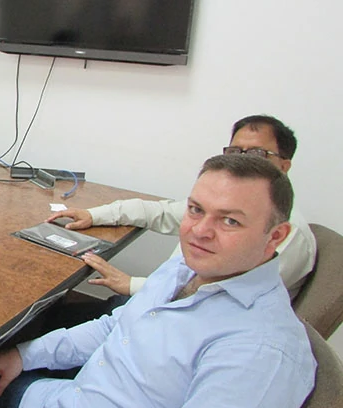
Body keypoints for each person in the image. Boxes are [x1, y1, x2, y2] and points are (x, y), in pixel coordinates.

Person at [0, 154, 317, 408]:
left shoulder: (259, 350)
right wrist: (24, 356)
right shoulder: (188, 266)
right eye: (196, 210)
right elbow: (114, 327)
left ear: (275, 237)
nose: (201, 231)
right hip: (62, 407)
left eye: (229, 220)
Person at [49, 114, 315, 301]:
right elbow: (159, 212)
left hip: (183, 321)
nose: (200, 230)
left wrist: (132, 285)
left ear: (284, 165)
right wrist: (93, 214)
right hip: (155, 303)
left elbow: (214, 297)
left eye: (257, 154)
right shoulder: (220, 202)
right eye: (236, 152)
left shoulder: (288, 236)